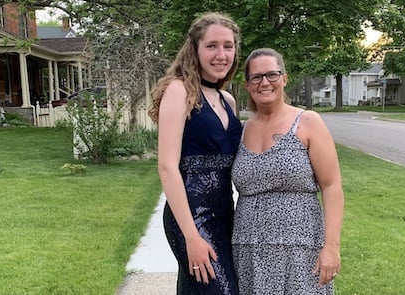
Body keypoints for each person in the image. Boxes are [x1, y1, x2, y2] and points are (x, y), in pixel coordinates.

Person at [231, 48, 345, 294]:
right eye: (256, 77)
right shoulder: (240, 131)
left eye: (272, 75)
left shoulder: (307, 122)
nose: (264, 82)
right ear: (248, 84)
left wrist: (332, 246)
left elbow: (332, 185)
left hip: (301, 247)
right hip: (249, 248)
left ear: (284, 78)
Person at [148, 12, 242, 295]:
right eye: (212, 45)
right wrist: (192, 236)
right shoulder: (179, 91)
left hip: (226, 213)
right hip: (191, 216)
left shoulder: (228, 100)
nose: (221, 54)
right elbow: (167, 167)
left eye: (228, 46)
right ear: (195, 50)